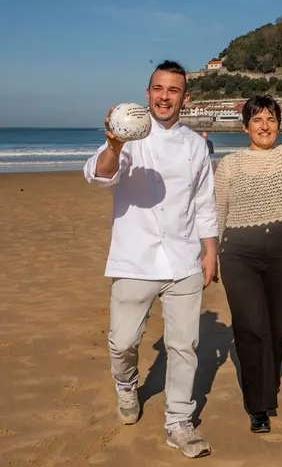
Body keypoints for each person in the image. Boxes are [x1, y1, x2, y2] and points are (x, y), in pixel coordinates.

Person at [82, 60, 217, 458]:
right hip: (134, 259)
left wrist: (210, 250)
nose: (164, 96)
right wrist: (112, 145)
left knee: (184, 346)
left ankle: (179, 422)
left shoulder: (195, 146)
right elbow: (99, 175)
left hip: (183, 259)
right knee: (123, 343)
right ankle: (126, 385)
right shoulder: (129, 134)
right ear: (147, 93)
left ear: (185, 98)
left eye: (173, 90)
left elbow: (204, 203)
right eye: (158, 88)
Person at [214, 67, 282, 433]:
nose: (264, 125)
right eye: (257, 120)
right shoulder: (229, 164)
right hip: (238, 255)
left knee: (278, 329)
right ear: (245, 127)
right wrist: (211, 255)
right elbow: (219, 212)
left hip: (281, 253)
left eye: (271, 119)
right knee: (252, 327)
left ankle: (267, 380)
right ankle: (258, 405)